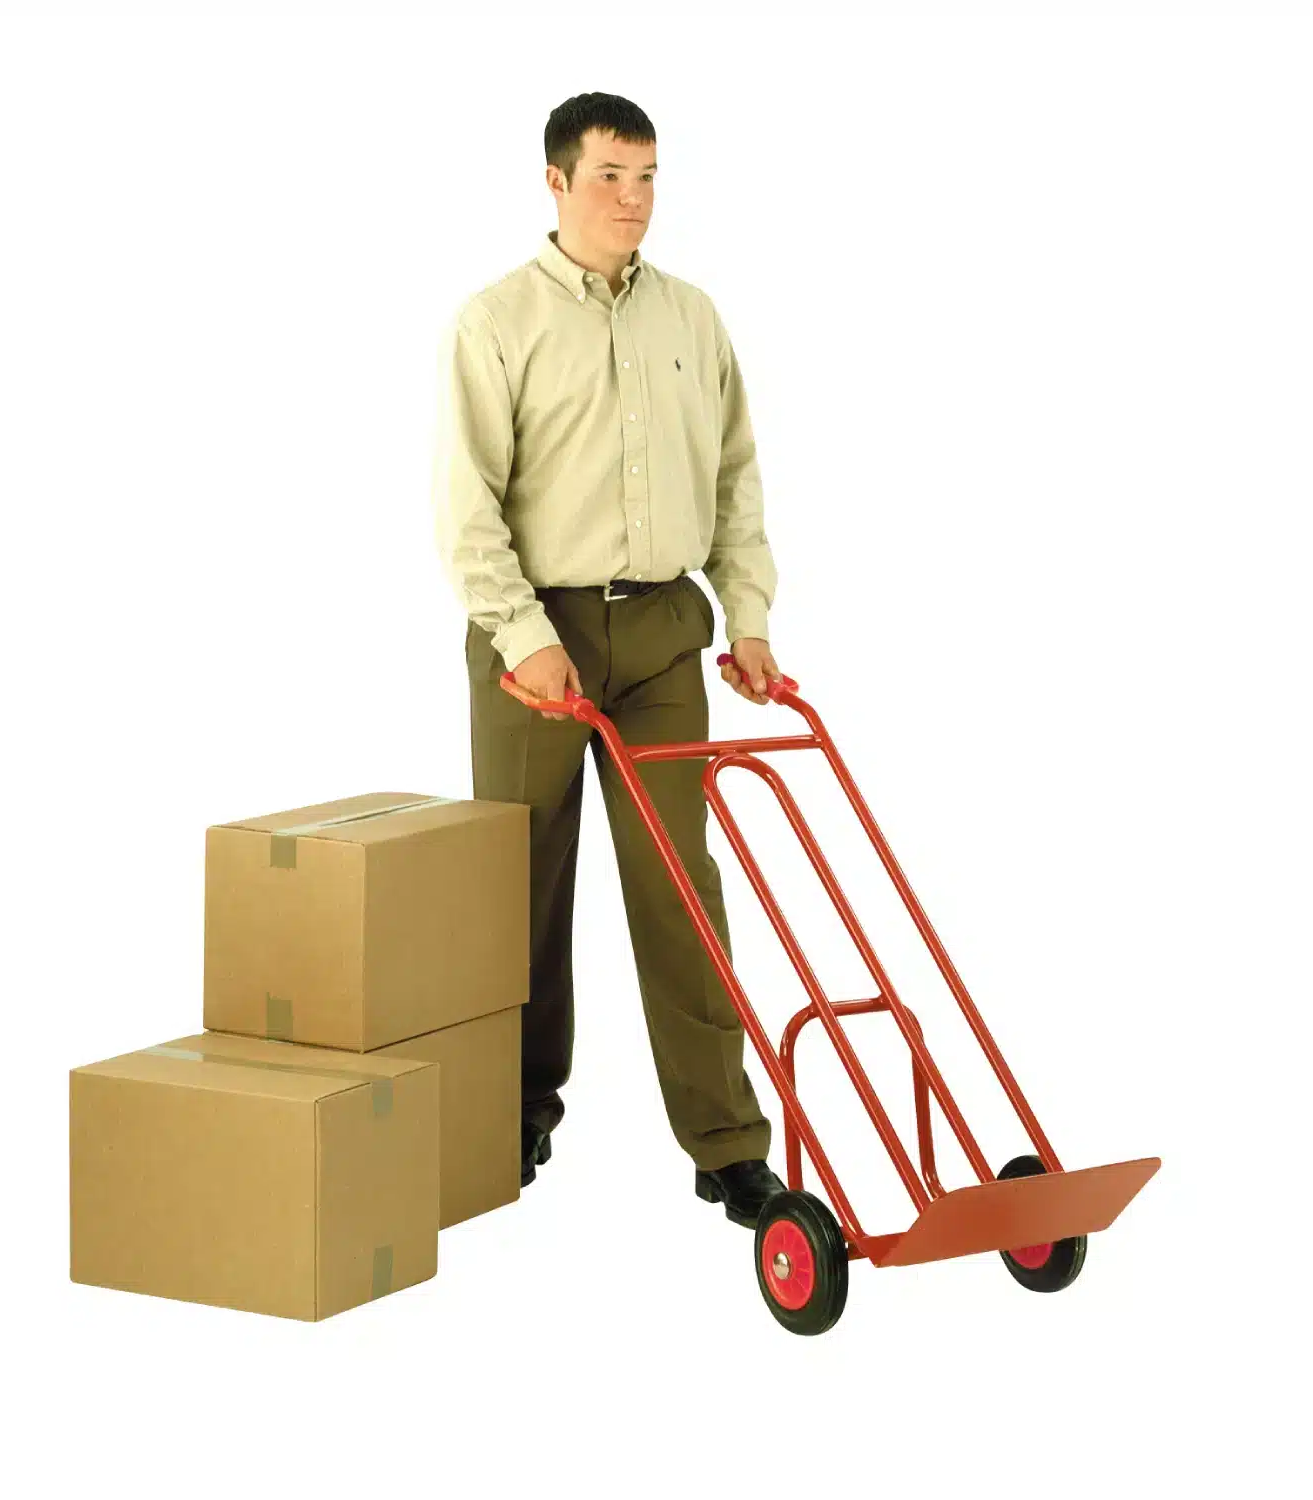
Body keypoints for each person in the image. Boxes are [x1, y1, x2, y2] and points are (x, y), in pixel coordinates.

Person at [431, 91, 788, 1229]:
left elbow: (734, 478)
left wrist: (748, 616)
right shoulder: (497, 322)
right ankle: (515, 1109)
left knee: (683, 885)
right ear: (556, 182)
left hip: (665, 636)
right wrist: (525, 638)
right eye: (609, 177)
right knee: (521, 889)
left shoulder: (692, 317)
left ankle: (727, 1142)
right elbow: (466, 508)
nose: (633, 201)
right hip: (536, 641)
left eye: (647, 177)